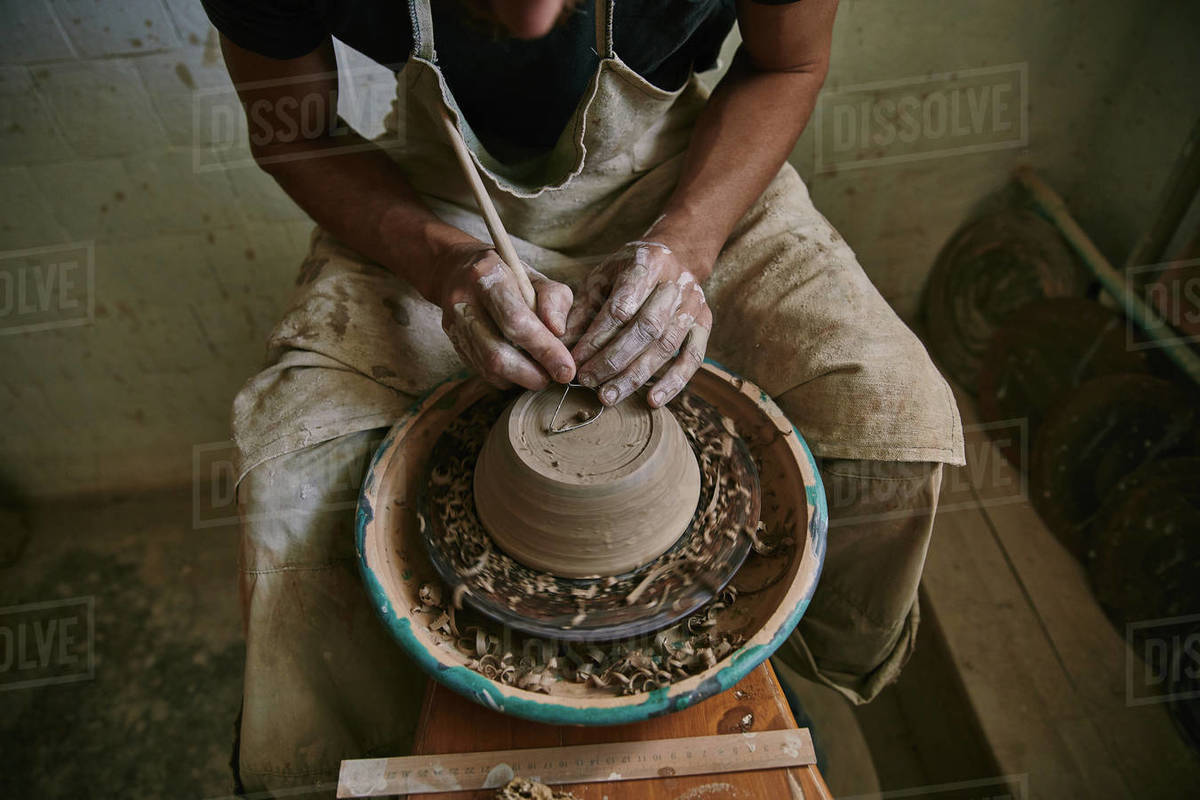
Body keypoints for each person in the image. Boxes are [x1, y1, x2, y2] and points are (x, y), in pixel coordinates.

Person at [202, 0, 965, 793]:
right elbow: (295, 131)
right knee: (291, 488)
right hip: (438, 199)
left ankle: (783, 648)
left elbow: (789, 65)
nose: (530, 18)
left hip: (688, 172)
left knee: (890, 415)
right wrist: (444, 266)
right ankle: (371, 757)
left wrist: (688, 241)